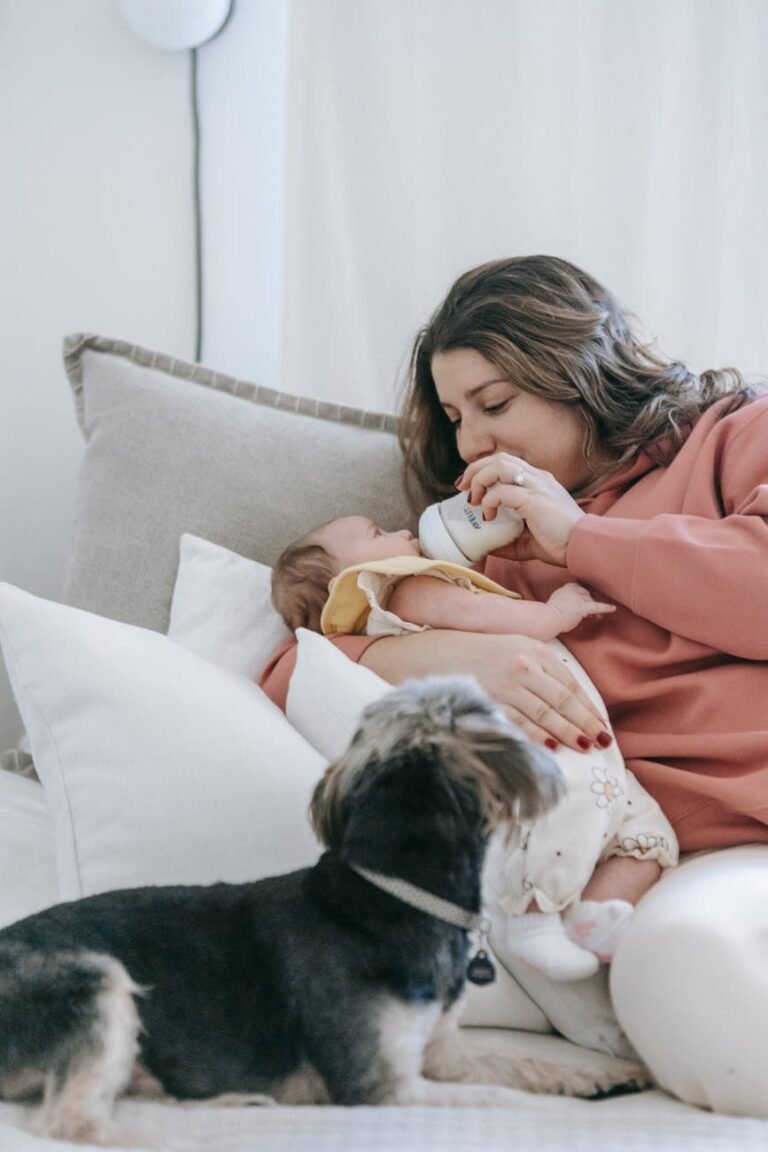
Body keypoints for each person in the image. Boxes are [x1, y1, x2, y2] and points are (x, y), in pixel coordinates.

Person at [261, 255, 768, 1113]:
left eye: (495, 405)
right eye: (455, 417)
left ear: (579, 372)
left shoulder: (732, 436)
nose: (471, 443)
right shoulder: (483, 565)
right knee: (680, 966)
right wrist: (451, 657)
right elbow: (292, 667)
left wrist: (581, 541)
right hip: (697, 863)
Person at [271, 513, 678, 981]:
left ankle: (594, 915)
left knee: (647, 830)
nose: (402, 532)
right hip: (541, 736)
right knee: (570, 802)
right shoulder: (400, 588)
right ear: (346, 582)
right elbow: (477, 613)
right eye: (378, 535)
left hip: (587, 744)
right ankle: (532, 915)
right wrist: (554, 614)